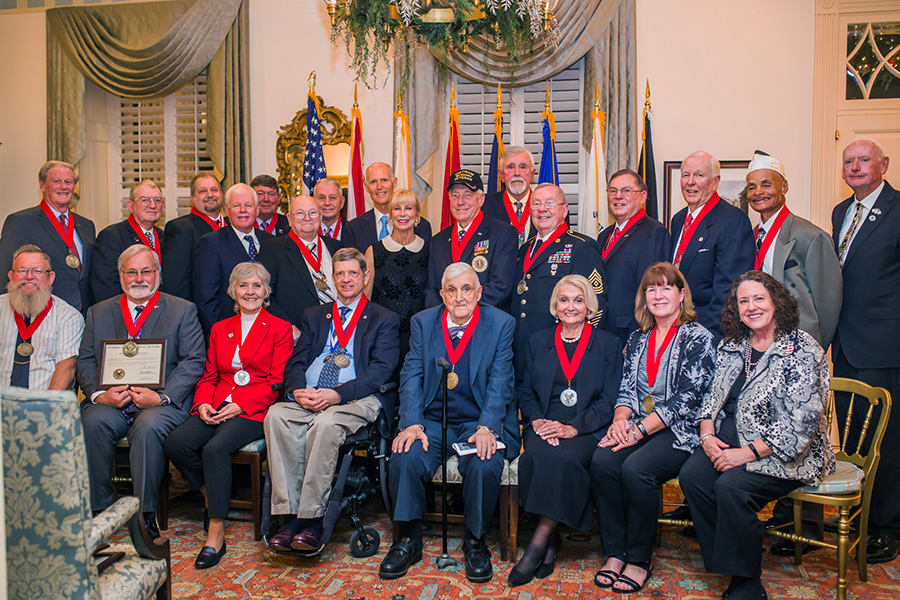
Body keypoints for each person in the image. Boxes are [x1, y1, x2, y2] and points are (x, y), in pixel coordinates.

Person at [680, 271, 835, 600]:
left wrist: (745, 454)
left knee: (731, 487)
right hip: (729, 438)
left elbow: (802, 423)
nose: (751, 307)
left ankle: (746, 582)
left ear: (776, 302)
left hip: (786, 451)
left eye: (758, 299)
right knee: (692, 475)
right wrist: (707, 435)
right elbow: (711, 397)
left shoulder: (803, 349)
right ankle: (728, 558)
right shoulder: (732, 345)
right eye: (743, 301)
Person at [381, 262, 519, 583]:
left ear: (479, 292)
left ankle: (475, 541)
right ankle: (408, 539)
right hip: (432, 418)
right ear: (442, 294)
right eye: (452, 290)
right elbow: (411, 375)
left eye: (466, 289)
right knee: (405, 454)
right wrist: (411, 422)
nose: (459, 297)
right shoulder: (423, 323)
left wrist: (487, 426)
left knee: (485, 462)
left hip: (478, 419)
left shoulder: (500, 324)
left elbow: (502, 380)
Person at [590, 262, 715, 593]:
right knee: (602, 462)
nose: (658, 295)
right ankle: (615, 552)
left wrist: (639, 431)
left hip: (682, 431)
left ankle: (640, 558)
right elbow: (626, 389)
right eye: (651, 289)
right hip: (636, 424)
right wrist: (619, 421)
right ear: (644, 297)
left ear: (681, 294)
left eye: (666, 287)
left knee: (636, 469)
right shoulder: (637, 337)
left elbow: (688, 399)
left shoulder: (698, 338)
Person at [265, 248, 400, 553]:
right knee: (276, 415)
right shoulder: (315, 314)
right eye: (340, 273)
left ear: (365, 277)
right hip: (311, 393)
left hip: (356, 398)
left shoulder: (384, 318)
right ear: (332, 278)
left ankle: (312, 519)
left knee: (325, 424)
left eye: (353, 273)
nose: (346, 279)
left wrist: (338, 393)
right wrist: (298, 389)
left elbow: (381, 370)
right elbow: (297, 361)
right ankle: (289, 515)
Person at [165, 262, 293, 569]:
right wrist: (203, 405)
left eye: (257, 286)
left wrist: (242, 404)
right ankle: (212, 492)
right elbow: (209, 375)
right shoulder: (221, 328)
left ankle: (215, 533)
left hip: (255, 409)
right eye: (243, 286)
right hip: (218, 403)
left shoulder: (280, 328)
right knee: (176, 443)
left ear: (266, 292)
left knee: (215, 448)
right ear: (233, 291)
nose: (250, 292)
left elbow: (277, 381)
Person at [77, 244, 205, 538]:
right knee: (92, 421)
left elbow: (194, 360)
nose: (139, 278)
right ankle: (100, 512)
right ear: (120, 276)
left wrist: (160, 396)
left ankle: (144, 514)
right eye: (131, 272)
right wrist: (99, 395)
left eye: (146, 271)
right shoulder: (98, 312)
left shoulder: (182, 310)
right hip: (112, 401)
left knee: (148, 428)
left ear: (157, 273)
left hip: (161, 404)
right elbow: (85, 360)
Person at [508, 275, 622, 587]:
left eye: (578, 300)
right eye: (564, 300)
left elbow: (609, 400)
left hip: (586, 427)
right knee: (536, 454)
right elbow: (525, 391)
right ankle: (550, 539)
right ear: (555, 306)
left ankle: (538, 544)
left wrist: (573, 427)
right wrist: (535, 420)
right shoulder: (538, 340)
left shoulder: (608, 344)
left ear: (589, 307)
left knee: (565, 459)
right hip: (544, 423)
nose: (570, 306)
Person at [830, 138, 900, 563]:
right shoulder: (842, 212)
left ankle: (886, 528)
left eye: (863, 161)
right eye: (848, 162)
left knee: (885, 441)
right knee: (854, 437)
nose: (854, 167)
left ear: (884, 165)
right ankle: (859, 515)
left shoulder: (897, 209)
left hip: (885, 346)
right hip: (847, 344)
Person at [746, 151, 841, 349]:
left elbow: (828, 304)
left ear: (784, 187)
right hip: (759, 339)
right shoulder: (751, 236)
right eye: (751, 187)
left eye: (766, 185)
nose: (758, 192)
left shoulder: (811, 236)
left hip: (799, 342)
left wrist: (816, 348)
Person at [512, 183, 606, 380]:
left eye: (550, 203)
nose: (542, 209)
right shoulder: (524, 249)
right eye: (536, 204)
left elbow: (597, 304)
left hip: (560, 353)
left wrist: (581, 349)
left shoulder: (581, 246)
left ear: (564, 210)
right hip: (522, 351)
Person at [670, 151, 754, 340]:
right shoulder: (678, 220)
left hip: (709, 333)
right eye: (686, 175)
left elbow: (728, 291)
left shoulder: (733, 221)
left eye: (699, 175)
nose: (690, 182)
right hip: (676, 330)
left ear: (715, 182)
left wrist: (706, 338)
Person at [0, 161, 96, 312]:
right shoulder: (20, 222)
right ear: (43, 185)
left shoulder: (87, 226)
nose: (63, 186)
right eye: (56, 181)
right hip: (41, 316)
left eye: (68, 182)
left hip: (84, 314)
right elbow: (5, 274)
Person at [425, 169, 518, 310]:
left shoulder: (503, 233)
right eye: (455, 195)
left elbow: (500, 287)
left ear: (481, 199)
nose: (460, 202)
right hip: (445, 325)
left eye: (467, 195)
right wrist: (446, 317)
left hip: (485, 322)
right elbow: (432, 289)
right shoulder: (438, 240)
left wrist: (462, 313)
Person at [598, 169, 672, 346]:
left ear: (643, 196)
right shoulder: (604, 235)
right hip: (603, 331)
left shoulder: (654, 232)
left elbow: (652, 290)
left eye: (626, 191)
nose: (618, 196)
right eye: (613, 191)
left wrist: (639, 338)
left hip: (632, 332)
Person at [1, 244, 84, 389]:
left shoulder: (68, 316)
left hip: (43, 402)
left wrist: (45, 407)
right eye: (22, 270)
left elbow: (67, 368)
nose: (29, 277)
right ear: (11, 276)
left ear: (50, 277)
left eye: (37, 271)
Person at [194, 183, 273, 335]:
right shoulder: (211, 243)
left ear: (257, 209)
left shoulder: (271, 242)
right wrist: (221, 335)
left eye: (248, 205)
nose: (243, 210)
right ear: (227, 210)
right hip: (230, 333)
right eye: (236, 205)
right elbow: (206, 299)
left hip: (268, 331)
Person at [258, 195, 341, 336]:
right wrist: (287, 327)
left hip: (339, 330)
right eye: (300, 213)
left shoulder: (336, 246)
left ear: (320, 217)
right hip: (298, 336)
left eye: (312, 212)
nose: (307, 218)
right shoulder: (272, 248)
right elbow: (265, 296)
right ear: (290, 219)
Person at [364, 189, 430, 360]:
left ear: (417, 215)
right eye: (397, 208)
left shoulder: (431, 251)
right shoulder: (373, 251)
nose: (402, 214)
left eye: (408, 208)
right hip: (383, 338)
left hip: (420, 338)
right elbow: (365, 299)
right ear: (390, 215)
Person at [91, 180, 165, 304]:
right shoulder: (112, 236)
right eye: (144, 200)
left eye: (157, 200)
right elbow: (106, 288)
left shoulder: (164, 237)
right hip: (126, 314)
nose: (152, 205)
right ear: (130, 206)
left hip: (160, 311)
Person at [161, 172, 225, 302]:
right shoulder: (180, 228)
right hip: (199, 313)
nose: (210, 195)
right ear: (192, 197)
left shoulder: (231, 225)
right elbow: (176, 283)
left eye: (214, 190)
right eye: (203, 191)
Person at [345, 162, 432, 253]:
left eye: (384, 180)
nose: (379, 187)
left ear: (394, 182)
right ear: (366, 187)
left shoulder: (421, 226)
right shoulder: (353, 228)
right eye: (373, 182)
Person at [482, 146, 536, 246]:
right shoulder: (484, 205)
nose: (517, 173)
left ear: (532, 174)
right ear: (500, 175)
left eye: (523, 167)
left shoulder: (549, 206)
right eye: (510, 167)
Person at [315, 177, 348, 242]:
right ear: (313, 201)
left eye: (332, 198)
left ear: (342, 202)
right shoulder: (305, 231)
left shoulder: (354, 231)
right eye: (321, 198)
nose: (327, 203)